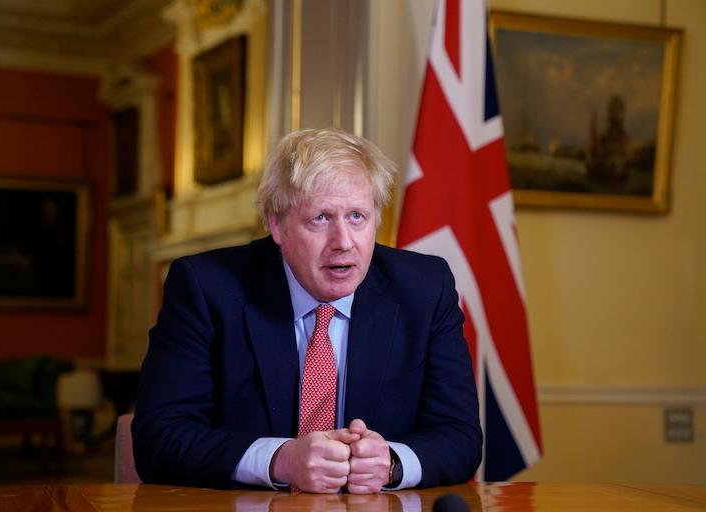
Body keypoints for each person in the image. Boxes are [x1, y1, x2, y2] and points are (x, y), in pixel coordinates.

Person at [132, 128, 482, 493]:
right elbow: (159, 438)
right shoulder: (206, 289)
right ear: (276, 225)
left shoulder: (425, 288)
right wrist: (281, 460)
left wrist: (392, 463)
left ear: (377, 217)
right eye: (321, 218)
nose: (344, 242)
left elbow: (460, 436)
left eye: (357, 216)